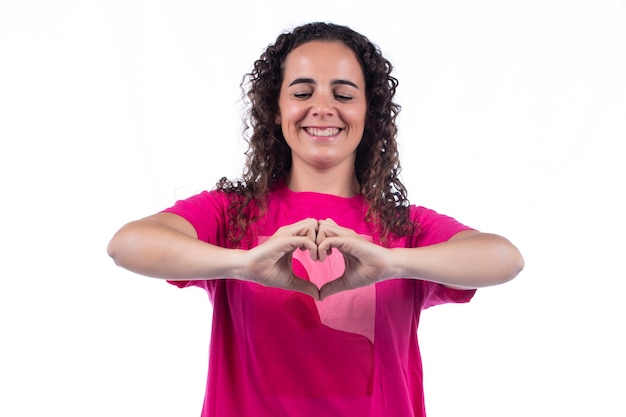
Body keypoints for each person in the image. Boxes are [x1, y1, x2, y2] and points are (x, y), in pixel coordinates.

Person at [107, 21, 524, 417]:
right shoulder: (231, 214)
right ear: (276, 109)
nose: (322, 108)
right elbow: (127, 245)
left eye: (343, 95)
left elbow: (504, 258)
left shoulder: (402, 227)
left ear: (368, 112)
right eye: (302, 92)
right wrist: (242, 264)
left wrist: (394, 263)